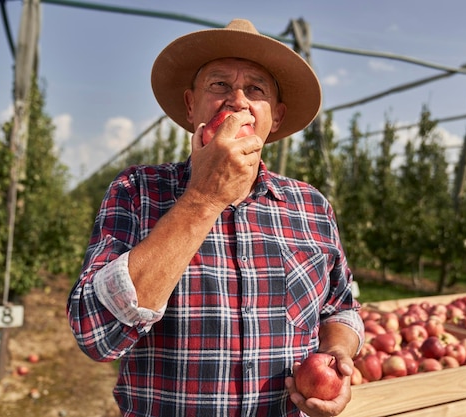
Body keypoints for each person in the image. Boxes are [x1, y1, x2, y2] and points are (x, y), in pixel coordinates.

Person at [67, 18, 364, 417]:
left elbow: (340, 307)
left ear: (274, 117)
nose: (237, 100)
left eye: (255, 89)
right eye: (219, 85)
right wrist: (205, 196)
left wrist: (337, 355)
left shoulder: (310, 205)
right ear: (192, 106)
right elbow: (94, 335)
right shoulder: (136, 191)